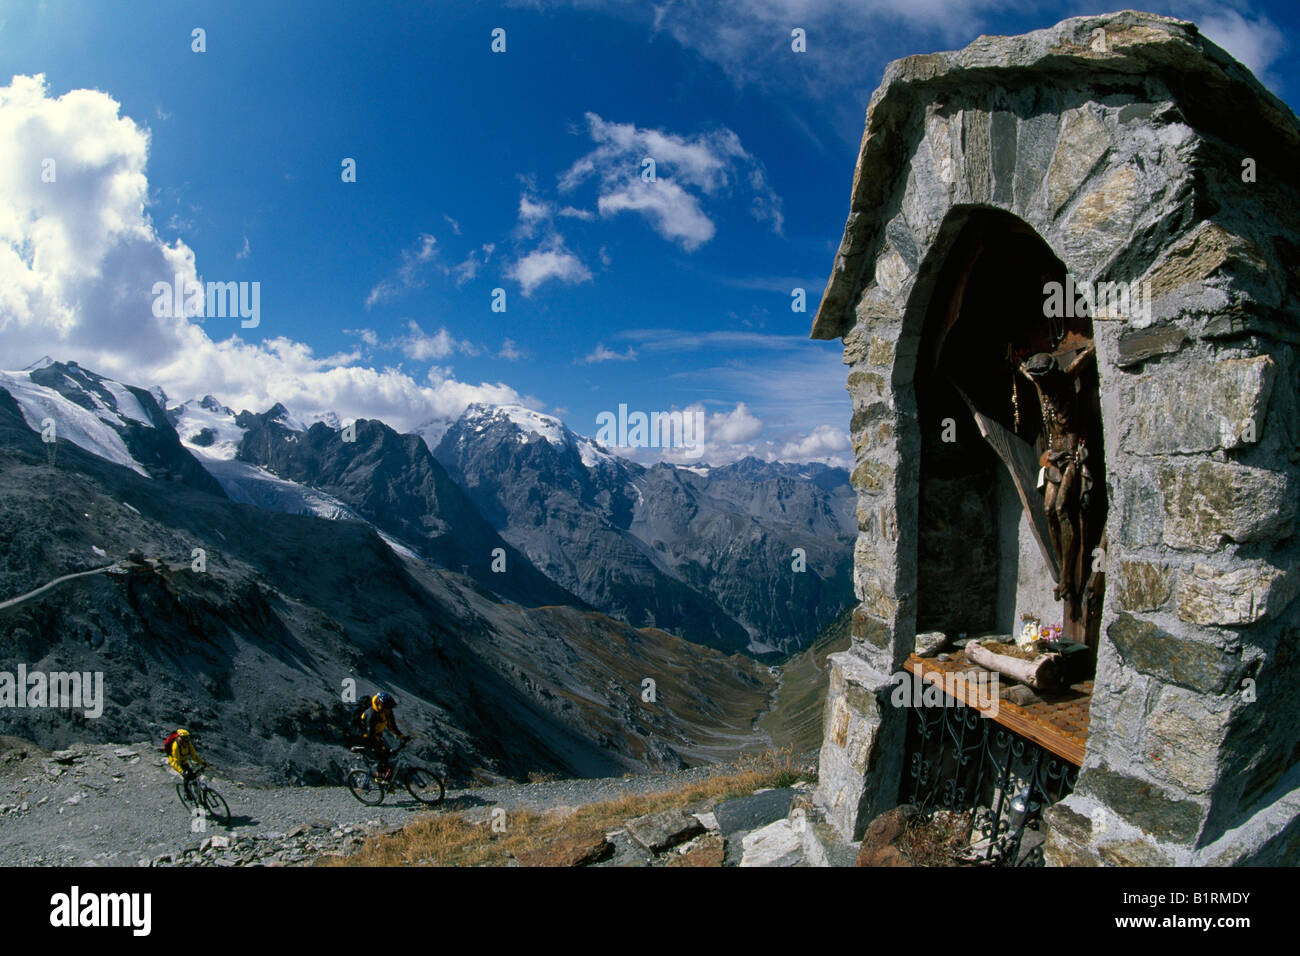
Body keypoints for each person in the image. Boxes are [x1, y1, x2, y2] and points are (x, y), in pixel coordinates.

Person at [356, 692, 409, 781]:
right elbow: (370, 735)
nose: (389, 710)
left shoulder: (387, 712)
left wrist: (402, 736)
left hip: (377, 736)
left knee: (387, 757)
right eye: (388, 708)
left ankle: (384, 778)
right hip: (365, 738)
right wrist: (378, 747)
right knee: (381, 756)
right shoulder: (371, 714)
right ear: (381, 705)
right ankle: (379, 779)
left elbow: (392, 726)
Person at [164, 728, 206, 798]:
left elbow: (194, 755)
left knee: (193, 776)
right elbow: (175, 762)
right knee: (187, 777)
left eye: (187, 738)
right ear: (180, 738)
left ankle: (197, 794)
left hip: (184, 760)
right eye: (185, 738)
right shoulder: (175, 747)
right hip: (176, 762)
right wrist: (181, 771)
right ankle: (187, 794)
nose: (187, 740)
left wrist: (203, 763)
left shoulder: (188, 744)